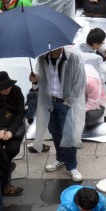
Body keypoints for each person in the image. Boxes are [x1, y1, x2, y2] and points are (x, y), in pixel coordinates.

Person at [31, 46, 86, 182]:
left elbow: (80, 81)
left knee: (69, 134)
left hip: (65, 102)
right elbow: (43, 79)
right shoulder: (43, 58)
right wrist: (35, 81)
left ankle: (72, 166)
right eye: (56, 47)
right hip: (50, 101)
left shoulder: (73, 58)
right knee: (55, 131)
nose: (60, 49)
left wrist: (69, 101)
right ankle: (60, 158)